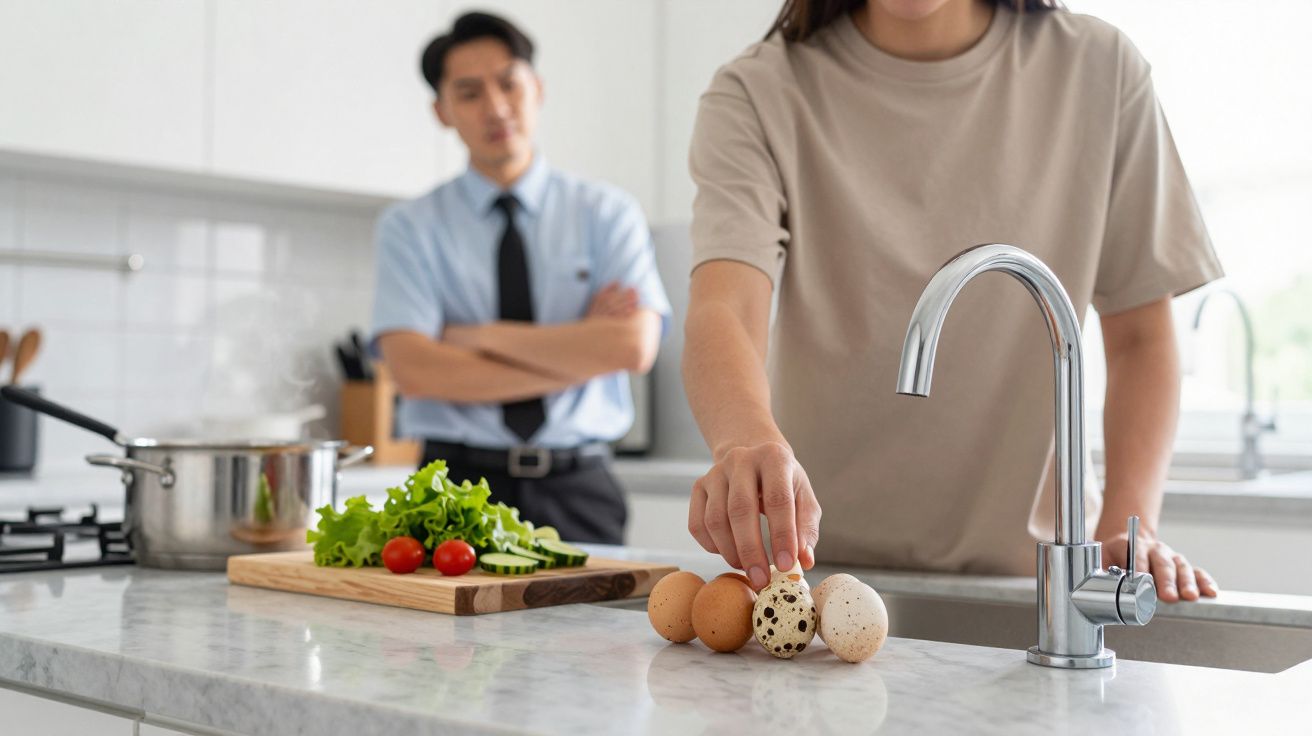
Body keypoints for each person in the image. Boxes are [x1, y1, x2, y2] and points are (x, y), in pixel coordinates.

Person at [682, 0, 1223, 602]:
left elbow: (1142, 338)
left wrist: (1132, 526)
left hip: (1034, 587)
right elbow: (726, 306)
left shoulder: (1101, 69)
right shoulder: (757, 91)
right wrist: (744, 440)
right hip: (816, 584)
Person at [371, 12, 671, 545]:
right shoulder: (409, 228)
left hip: (578, 486)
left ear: (538, 88)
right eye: (469, 93)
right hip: (454, 487)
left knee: (595, 632)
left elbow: (631, 346)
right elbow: (414, 371)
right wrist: (579, 352)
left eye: (509, 83)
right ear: (442, 111)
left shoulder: (608, 213)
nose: (496, 106)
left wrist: (479, 337)